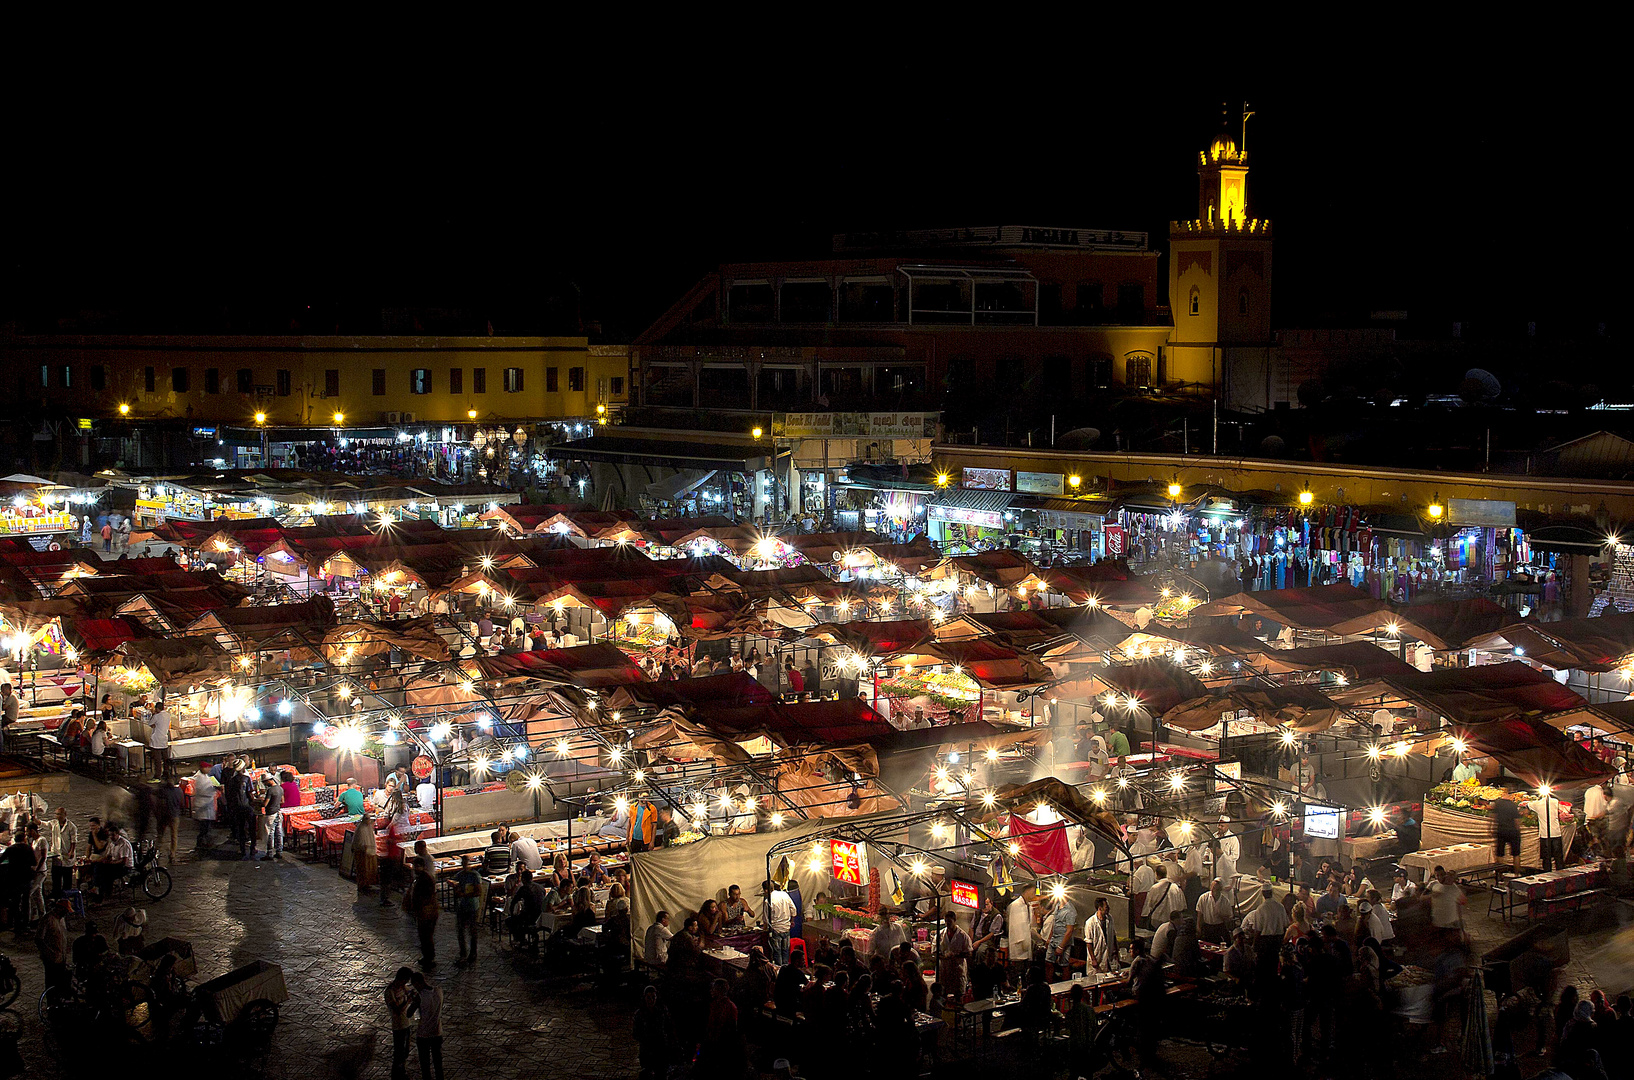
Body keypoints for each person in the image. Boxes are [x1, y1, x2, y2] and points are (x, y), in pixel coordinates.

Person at [1244, 885, 1290, 990]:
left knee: (1263, 968)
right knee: (1273, 966)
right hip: (1277, 941)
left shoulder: (1261, 909)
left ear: (1263, 894)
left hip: (1265, 942)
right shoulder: (1280, 906)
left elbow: (1258, 930)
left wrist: (1255, 945)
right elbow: (1285, 925)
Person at [633, 985, 674, 1080]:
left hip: (661, 1047)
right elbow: (636, 1033)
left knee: (661, 1073)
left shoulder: (662, 1011)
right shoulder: (640, 1014)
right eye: (648, 997)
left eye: (653, 997)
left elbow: (669, 1027)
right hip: (647, 1049)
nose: (651, 1000)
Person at [409, 971, 444, 1080]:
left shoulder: (420, 997)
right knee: (438, 1061)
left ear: (418, 983)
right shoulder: (439, 991)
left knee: (425, 1064)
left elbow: (409, 1013)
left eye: (415, 985)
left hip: (424, 1034)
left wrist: (412, 1000)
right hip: (437, 1032)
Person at [385, 967, 416, 1080]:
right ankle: (397, 1074)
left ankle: (402, 1070)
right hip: (398, 1026)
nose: (406, 983)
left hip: (407, 1023)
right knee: (399, 1052)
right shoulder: (390, 991)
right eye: (406, 980)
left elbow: (412, 994)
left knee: (405, 1050)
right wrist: (408, 1001)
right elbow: (397, 1011)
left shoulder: (403, 988)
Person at [408, 855, 439, 967]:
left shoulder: (425, 878)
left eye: (416, 866)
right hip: (423, 911)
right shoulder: (420, 878)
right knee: (423, 935)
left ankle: (429, 958)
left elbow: (427, 896)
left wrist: (422, 907)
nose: (415, 868)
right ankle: (426, 956)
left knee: (426, 935)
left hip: (427, 912)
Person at [36, 898, 71, 992]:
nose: (66, 913)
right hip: (51, 958)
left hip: (61, 957)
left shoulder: (61, 919)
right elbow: (39, 939)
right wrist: (48, 953)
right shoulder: (47, 919)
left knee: (60, 983)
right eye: (65, 910)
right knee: (51, 983)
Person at [453, 855, 482, 966]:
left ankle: (473, 953)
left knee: (472, 931)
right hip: (462, 907)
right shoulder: (459, 875)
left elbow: (478, 891)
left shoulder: (475, 875)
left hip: (472, 907)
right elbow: (455, 884)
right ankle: (463, 954)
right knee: (460, 931)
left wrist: (465, 894)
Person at [1528, 788, 1566, 872]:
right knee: (1558, 857)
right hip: (1556, 833)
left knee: (1546, 858)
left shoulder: (1537, 804)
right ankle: (1561, 874)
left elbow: (1527, 804)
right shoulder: (1555, 801)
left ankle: (1547, 874)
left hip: (1545, 834)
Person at [44, 806, 77, 898]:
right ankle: (56, 895)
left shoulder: (71, 826)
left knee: (67, 878)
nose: (57, 816)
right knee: (56, 877)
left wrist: (71, 851)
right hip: (57, 855)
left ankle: (66, 897)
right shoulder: (54, 824)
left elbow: (73, 841)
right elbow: (44, 824)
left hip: (66, 855)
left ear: (65, 815)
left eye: (59, 814)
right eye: (56, 814)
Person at [941, 910, 974, 1001]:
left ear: (955, 920)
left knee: (959, 994)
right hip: (944, 968)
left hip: (958, 968)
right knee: (944, 992)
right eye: (946, 921)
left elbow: (969, 953)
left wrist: (956, 955)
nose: (947, 923)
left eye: (949, 921)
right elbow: (935, 950)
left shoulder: (963, 936)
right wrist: (944, 956)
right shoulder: (940, 934)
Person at [763, 878, 796, 964]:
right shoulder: (784, 894)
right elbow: (793, 909)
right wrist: (792, 921)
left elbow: (766, 920)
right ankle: (785, 969)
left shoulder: (768, 901)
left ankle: (779, 972)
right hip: (786, 927)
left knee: (777, 953)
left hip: (776, 929)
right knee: (785, 951)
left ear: (766, 890)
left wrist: (765, 929)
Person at [1196, 877, 1235, 943]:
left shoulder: (1225, 901)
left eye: (1217, 888)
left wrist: (1222, 916)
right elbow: (1200, 914)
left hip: (1219, 927)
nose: (1215, 890)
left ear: (1220, 889)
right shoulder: (1203, 898)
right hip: (1207, 927)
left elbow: (1229, 918)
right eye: (1213, 888)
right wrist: (1198, 927)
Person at [1427, 864, 1465, 932]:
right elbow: (1422, 897)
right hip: (1437, 918)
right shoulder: (1433, 885)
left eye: (1441, 875)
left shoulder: (1454, 889)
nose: (1440, 877)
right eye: (1437, 875)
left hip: (1449, 920)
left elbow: (1460, 904)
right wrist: (1432, 895)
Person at [1084, 896, 1116, 973]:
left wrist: (1116, 953)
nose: (1108, 908)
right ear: (1100, 908)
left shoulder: (1110, 918)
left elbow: (1113, 936)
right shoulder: (1090, 923)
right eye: (1106, 907)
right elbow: (1089, 943)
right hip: (1097, 957)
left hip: (1108, 957)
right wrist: (1093, 959)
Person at [1493, 793, 1522, 871]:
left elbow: (1493, 817)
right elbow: (1516, 820)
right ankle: (1517, 874)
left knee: (1500, 853)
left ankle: (1500, 876)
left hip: (1501, 830)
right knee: (1516, 854)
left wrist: (1491, 828)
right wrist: (1518, 830)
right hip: (1513, 831)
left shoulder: (1498, 803)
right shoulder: (1513, 805)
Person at [145, 700, 173, 780]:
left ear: (157, 709)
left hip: (156, 739)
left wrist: (153, 715)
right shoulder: (168, 715)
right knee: (165, 758)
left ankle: (157, 775)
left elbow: (150, 723)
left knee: (157, 759)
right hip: (164, 738)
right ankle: (166, 773)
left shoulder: (156, 716)